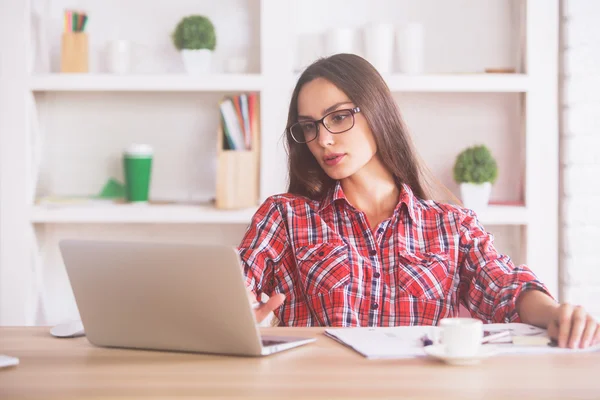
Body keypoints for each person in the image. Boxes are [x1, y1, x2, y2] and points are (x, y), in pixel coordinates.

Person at [237, 53, 599, 349]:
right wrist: (237, 312)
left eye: (339, 117)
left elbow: (503, 285)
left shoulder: (451, 225)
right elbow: (236, 283)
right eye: (310, 127)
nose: (324, 140)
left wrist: (556, 314)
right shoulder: (285, 216)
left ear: (376, 111)